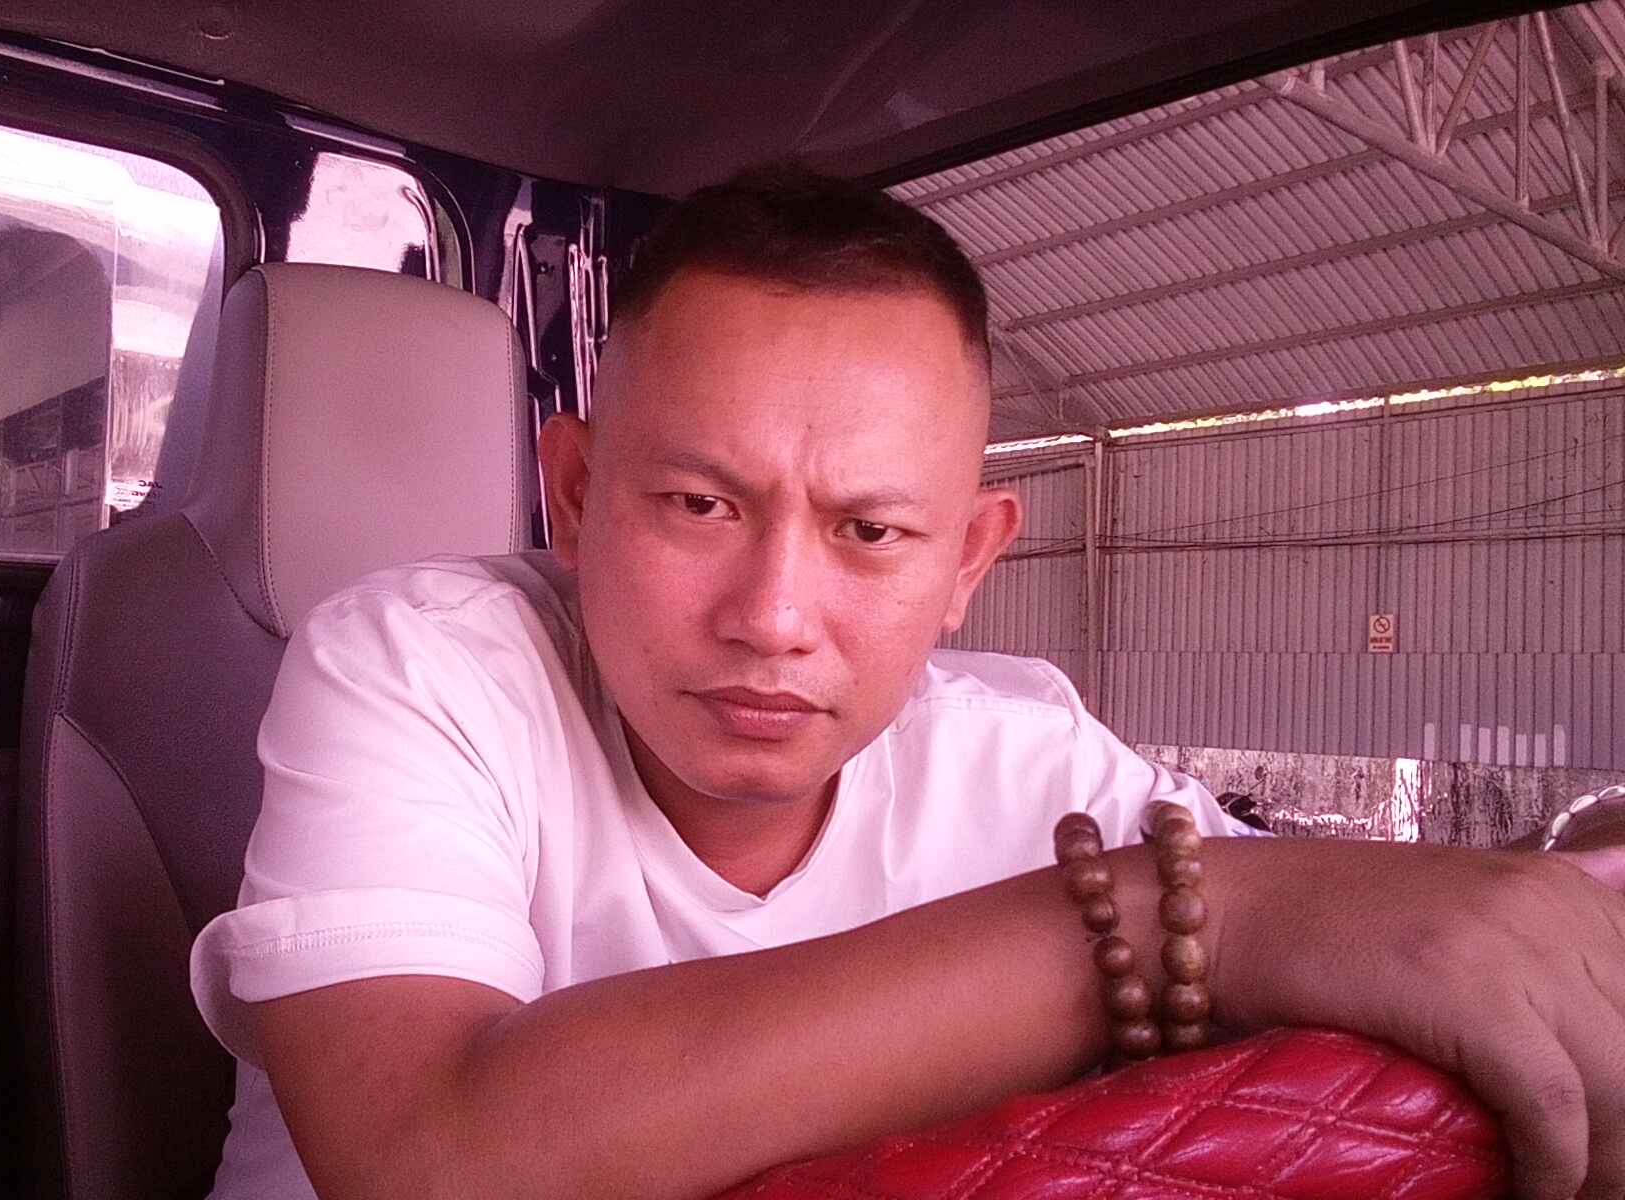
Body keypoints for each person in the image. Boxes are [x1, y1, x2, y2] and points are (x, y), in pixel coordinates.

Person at [190, 166, 1625, 1200]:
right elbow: (430, 1152)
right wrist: (1152, 916)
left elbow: (1344, 940)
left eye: (871, 533)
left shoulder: (1030, 763)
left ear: (968, 561)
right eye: (697, 505)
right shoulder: (417, 669)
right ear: (571, 495)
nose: (773, 618)